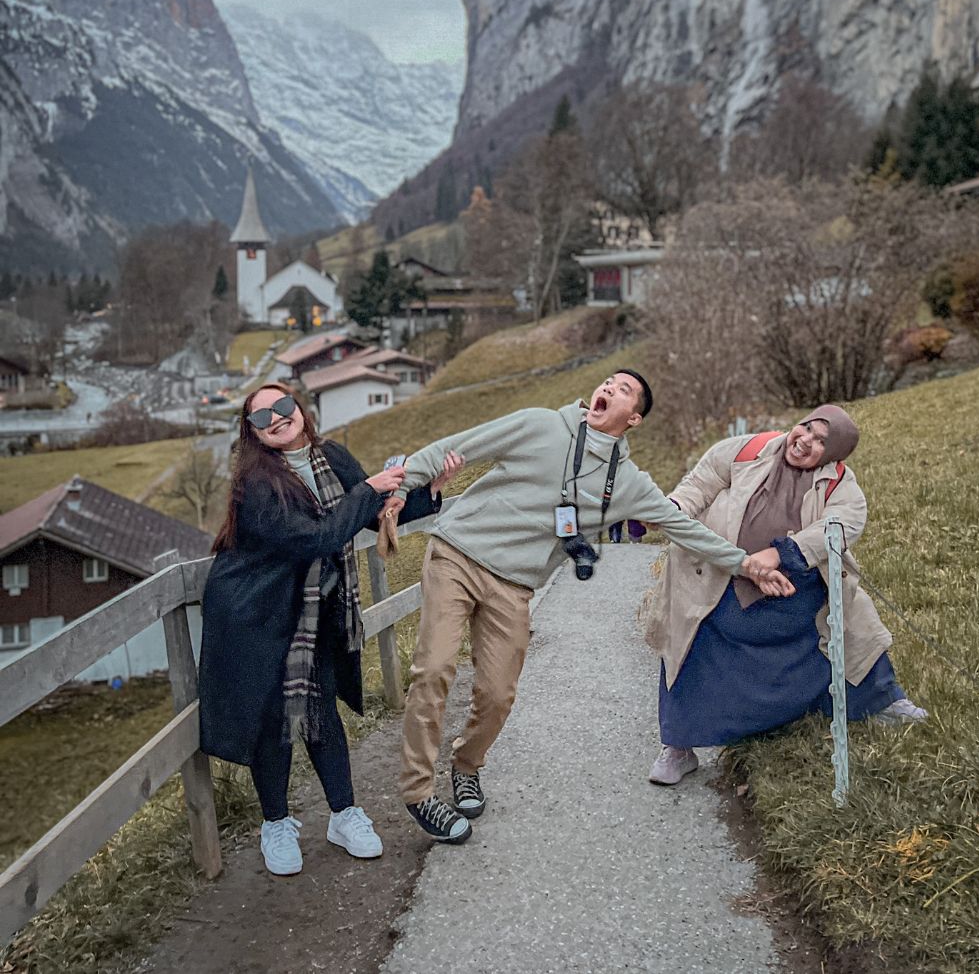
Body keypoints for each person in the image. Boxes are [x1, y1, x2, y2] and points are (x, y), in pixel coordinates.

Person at [383, 369, 794, 844]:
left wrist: (746, 565)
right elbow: (456, 446)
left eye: (623, 390)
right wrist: (395, 487)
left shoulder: (628, 484)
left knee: (498, 695)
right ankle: (418, 792)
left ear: (633, 418)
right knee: (433, 669)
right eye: (608, 382)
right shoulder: (540, 424)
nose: (607, 389)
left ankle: (466, 764)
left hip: (514, 585)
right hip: (456, 553)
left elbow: (688, 530)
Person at [198, 382, 460, 876]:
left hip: (314, 610)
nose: (276, 418)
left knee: (320, 711)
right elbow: (315, 537)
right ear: (252, 433)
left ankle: (344, 814)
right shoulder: (254, 483)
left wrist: (429, 491)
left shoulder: (331, 457)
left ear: (299, 407)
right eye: (261, 418)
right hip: (255, 613)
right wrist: (369, 490)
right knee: (273, 722)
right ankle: (275, 822)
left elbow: (372, 514)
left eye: (282, 406)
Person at [643, 405, 927, 786]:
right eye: (806, 428)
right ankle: (678, 747)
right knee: (689, 642)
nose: (805, 441)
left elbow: (842, 525)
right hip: (718, 580)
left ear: (833, 453)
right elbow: (697, 487)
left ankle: (882, 703)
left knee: (847, 631)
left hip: (797, 590)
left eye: (821, 441)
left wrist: (778, 556)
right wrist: (671, 509)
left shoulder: (841, 484)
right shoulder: (745, 450)